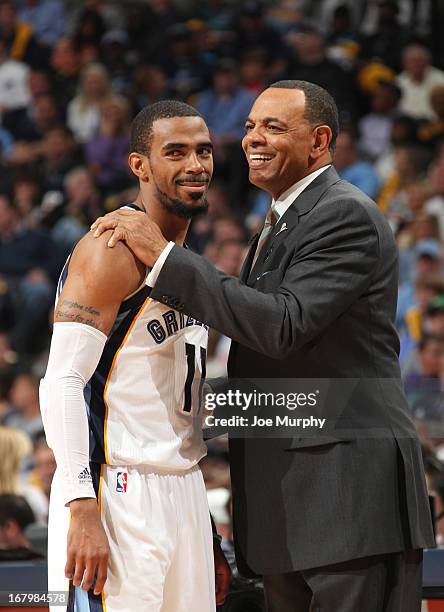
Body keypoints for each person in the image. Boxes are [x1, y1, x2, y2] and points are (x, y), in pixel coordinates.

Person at [92, 80, 435, 611]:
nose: (253, 138)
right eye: (250, 126)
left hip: (345, 497)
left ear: (319, 140)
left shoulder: (345, 214)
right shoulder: (276, 223)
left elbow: (281, 327)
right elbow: (278, 369)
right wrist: (166, 413)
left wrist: (165, 261)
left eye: (274, 127)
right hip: (291, 501)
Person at [39, 100, 230, 612]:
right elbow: (61, 381)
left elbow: (176, 411)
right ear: (139, 165)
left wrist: (204, 529)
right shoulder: (111, 248)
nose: (196, 165)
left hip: (184, 490)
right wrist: (80, 505)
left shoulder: (188, 265)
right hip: (115, 491)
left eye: (204, 151)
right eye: (176, 152)